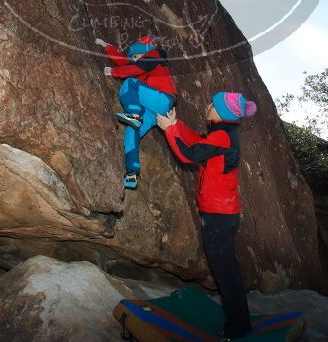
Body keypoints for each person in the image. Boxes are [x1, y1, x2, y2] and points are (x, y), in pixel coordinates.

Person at [156, 92, 257, 340]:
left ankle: (237, 329)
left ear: (221, 111)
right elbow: (196, 143)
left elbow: (188, 154)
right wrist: (176, 124)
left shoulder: (222, 136)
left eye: (212, 103)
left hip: (218, 215)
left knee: (225, 272)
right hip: (221, 212)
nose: (207, 105)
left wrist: (169, 130)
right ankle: (240, 322)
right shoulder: (222, 133)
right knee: (227, 269)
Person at [97, 35, 177, 189]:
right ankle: (131, 173)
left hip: (163, 98)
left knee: (130, 83)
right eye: (132, 56)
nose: (133, 59)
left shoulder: (154, 55)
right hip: (156, 111)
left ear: (144, 52)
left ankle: (133, 114)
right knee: (132, 131)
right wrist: (107, 46)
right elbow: (125, 62)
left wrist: (113, 72)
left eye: (135, 55)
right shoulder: (141, 64)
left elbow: (134, 67)